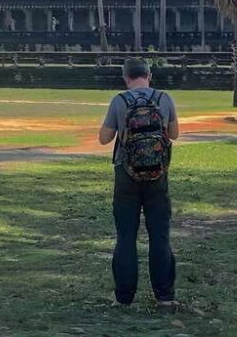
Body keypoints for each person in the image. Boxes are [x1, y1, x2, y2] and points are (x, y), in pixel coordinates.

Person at [99, 57, 179, 308]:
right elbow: (174, 134)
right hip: (157, 174)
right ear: (149, 76)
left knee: (126, 235)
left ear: (126, 78)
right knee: (159, 234)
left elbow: (104, 138)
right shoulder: (164, 98)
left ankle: (124, 297)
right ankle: (164, 295)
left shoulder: (119, 101)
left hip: (126, 173)